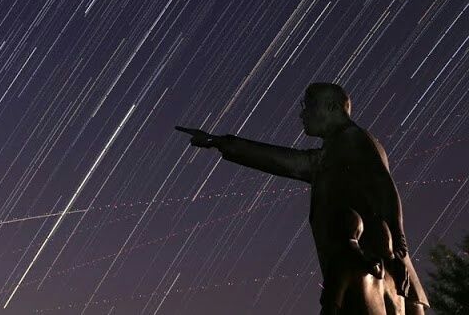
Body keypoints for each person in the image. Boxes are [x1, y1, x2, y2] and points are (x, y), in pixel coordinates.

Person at [178, 83, 429, 314]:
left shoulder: (352, 139)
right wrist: (220, 142)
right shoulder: (336, 149)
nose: (302, 114)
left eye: (308, 105)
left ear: (331, 107)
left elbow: (385, 188)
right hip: (376, 272)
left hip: (376, 273)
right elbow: (292, 163)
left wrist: (398, 244)